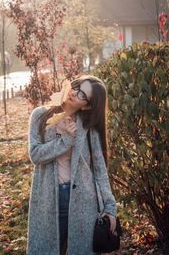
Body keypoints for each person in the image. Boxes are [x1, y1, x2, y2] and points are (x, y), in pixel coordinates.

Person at [27, 75, 117, 255]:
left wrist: (110, 207)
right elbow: (35, 155)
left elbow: (99, 171)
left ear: (88, 105)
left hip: (84, 202)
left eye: (83, 95)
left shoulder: (87, 126)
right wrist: (65, 140)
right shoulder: (40, 116)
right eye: (76, 86)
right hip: (49, 198)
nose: (75, 93)